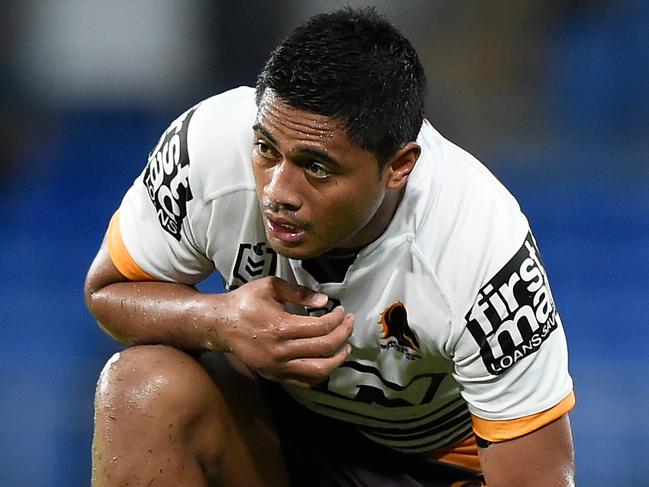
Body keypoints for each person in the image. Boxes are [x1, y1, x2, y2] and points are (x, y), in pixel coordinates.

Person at [85, 7, 576, 487]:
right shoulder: (207, 151)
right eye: (266, 150)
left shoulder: (481, 253)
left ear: (398, 166)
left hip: (438, 462)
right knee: (140, 390)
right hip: (274, 429)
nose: (277, 191)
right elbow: (108, 292)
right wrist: (218, 321)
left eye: (316, 166)